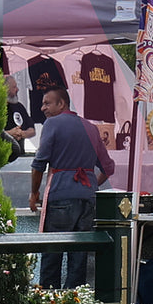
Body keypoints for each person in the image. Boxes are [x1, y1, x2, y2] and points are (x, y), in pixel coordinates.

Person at [29, 87, 115, 288]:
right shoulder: (91, 128)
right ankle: (74, 299)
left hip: (61, 198)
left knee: (53, 252)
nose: (43, 108)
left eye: (47, 103)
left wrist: (34, 193)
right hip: (88, 200)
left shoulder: (52, 124)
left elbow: (39, 163)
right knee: (79, 256)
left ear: (62, 103)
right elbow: (109, 167)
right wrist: (92, 184)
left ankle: (50, 300)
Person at [5, 75, 35, 160]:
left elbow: (32, 130)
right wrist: (9, 134)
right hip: (1, 159)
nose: (17, 89)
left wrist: (22, 134)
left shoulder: (19, 107)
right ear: (5, 88)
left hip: (20, 158)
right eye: (14, 87)